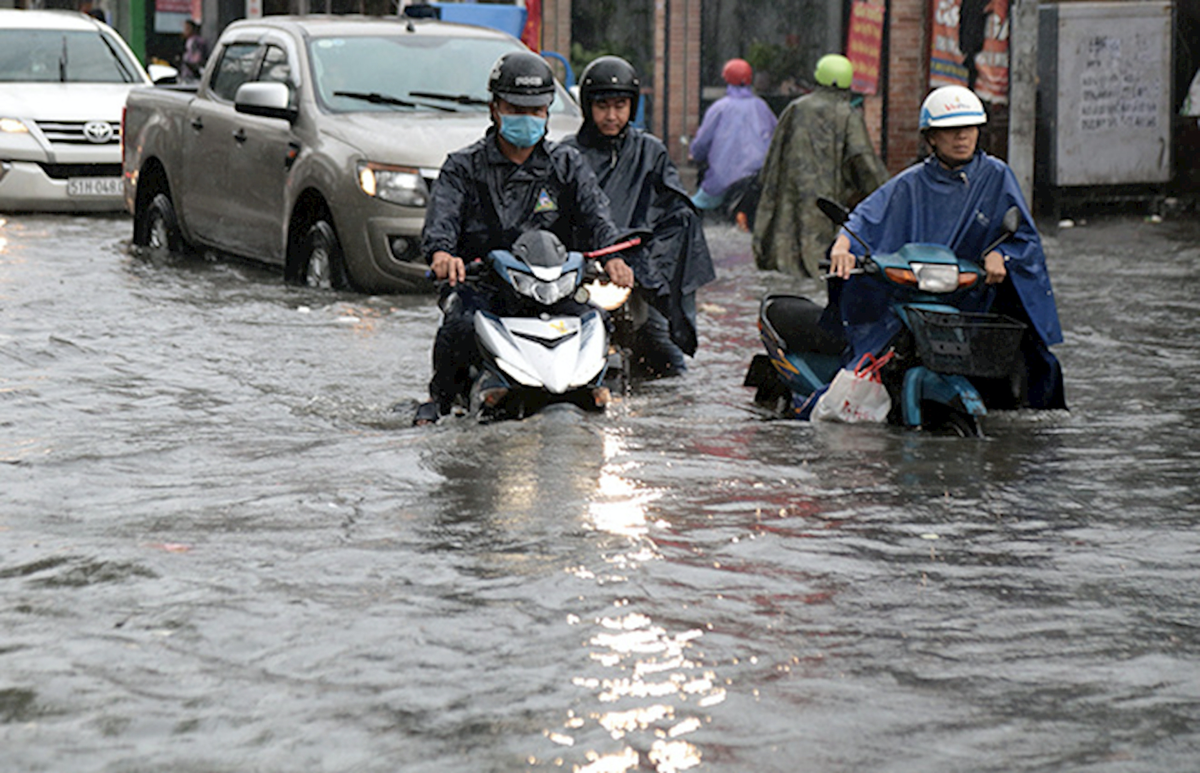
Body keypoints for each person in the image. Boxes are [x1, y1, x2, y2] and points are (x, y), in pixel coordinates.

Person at [417, 51, 635, 423]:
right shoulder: (463, 167)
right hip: (485, 289)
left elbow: (597, 216)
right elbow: (442, 225)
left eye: (537, 110)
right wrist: (442, 254)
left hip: (555, 287)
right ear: (495, 108)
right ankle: (441, 402)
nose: (528, 118)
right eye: (516, 108)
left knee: (602, 322)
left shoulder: (566, 164)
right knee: (459, 324)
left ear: (548, 112)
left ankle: (605, 399)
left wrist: (613, 257)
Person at [827, 84, 1066, 410]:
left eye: (968, 129)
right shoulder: (910, 182)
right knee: (866, 365)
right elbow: (865, 218)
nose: (961, 137)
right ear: (931, 138)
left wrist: (1001, 254)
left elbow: (1024, 237)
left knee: (1032, 363)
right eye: (950, 130)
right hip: (916, 295)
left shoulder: (996, 176)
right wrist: (843, 246)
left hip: (974, 296)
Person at [563, 56, 716, 378]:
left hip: (639, 274)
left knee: (670, 361)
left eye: (620, 105)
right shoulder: (567, 155)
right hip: (583, 269)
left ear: (632, 106)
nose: (612, 115)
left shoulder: (650, 151)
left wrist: (647, 258)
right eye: (602, 106)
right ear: (587, 107)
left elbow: (677, 212)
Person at [752, 54, 889, 277]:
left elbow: (772, 161)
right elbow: (864, 164)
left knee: (787, 275)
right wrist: (888, 196)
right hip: (826, 214)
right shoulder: (847, 115)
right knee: (819, 273)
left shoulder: (794, 108)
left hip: (786, 214)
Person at [688, 58, 778, 224]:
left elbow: (702, 142)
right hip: (757, 179)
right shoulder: (762, 107)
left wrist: (694, 154)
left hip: (722, 180)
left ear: (726, 78)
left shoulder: (719, 108)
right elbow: (776, 136)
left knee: (691, 209)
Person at [180, 19, 209, 84]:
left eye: (186, 28)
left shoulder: (195, 41)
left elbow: (196, 59)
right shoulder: (189, 41)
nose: (184, 31)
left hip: (192, 77)